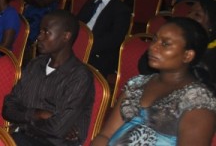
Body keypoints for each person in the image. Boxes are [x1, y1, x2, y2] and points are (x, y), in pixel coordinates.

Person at [92, 17, 216, 146]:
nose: (153, 47)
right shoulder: (137, 83)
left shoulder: (198, 101)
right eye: (155, 39)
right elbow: (105, 135)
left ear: (187, 55)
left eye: (165, 44)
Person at [2, 10, 94, 146]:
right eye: (40, 31)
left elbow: (57, 130)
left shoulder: (80, 76)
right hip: (22, 139)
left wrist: (24, 120)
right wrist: (37, 114)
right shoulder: (35, 64)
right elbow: (8, 109)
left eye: (46, 32)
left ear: (66, 36)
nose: (39, 37)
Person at [77, 0, 131, 77]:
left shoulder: (121, 9)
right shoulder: (90, 3)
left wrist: (87, 46)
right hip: (80, 44)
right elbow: (77, 23)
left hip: (99, 53)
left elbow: (114, 39)